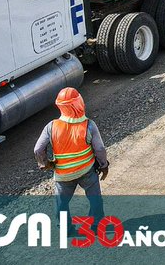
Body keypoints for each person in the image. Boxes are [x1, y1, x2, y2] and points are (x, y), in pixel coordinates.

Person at [34, 87, 109, 222]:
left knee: (62, 203)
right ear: (79, 103)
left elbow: (38, 149)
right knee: (95, 199)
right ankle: (96, 225)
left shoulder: (51, 126)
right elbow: (100, 149)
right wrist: (104, 165)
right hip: (87, 171)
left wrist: (46, 164)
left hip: (63, 175)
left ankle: (66, 229)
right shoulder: (89, 125)